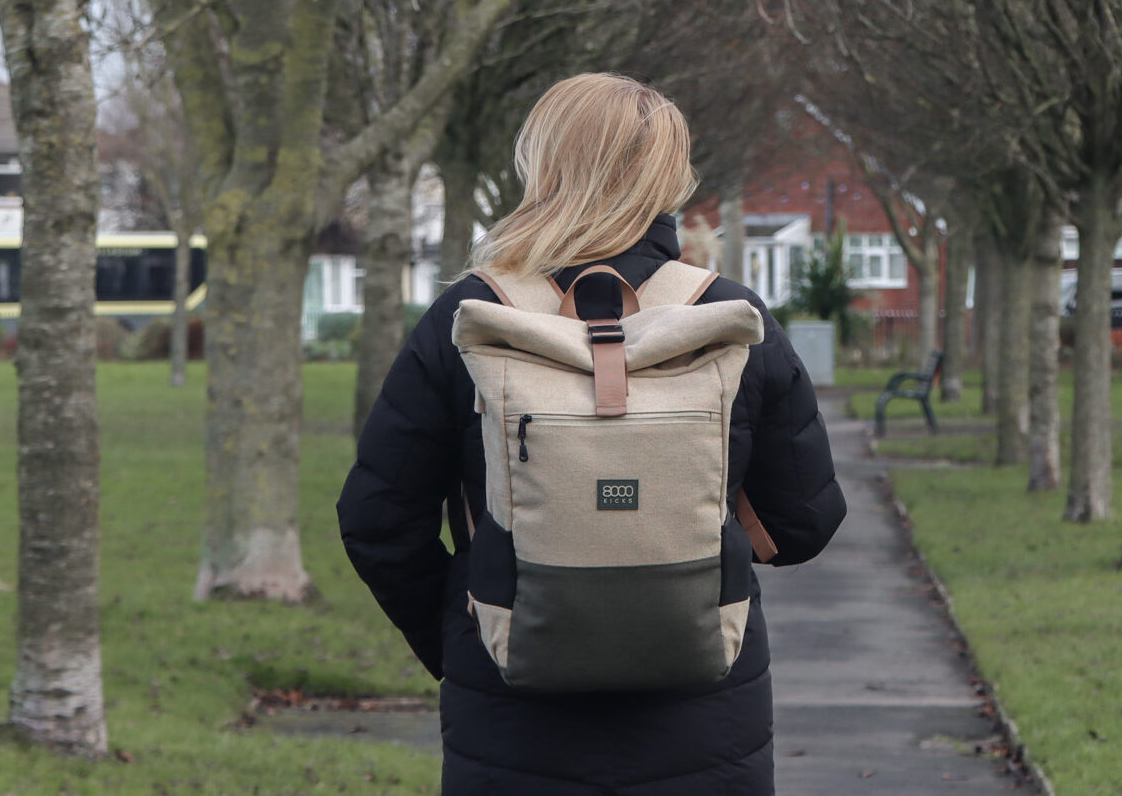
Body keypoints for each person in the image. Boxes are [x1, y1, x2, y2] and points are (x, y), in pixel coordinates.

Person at [337, 72, 846, 795]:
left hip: (513, 726)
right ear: (670, 177)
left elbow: (376, 520)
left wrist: (465, 634)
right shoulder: (730, 319)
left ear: (541, 167)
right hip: (704, 726)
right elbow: (803, 526)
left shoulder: (470, 318)